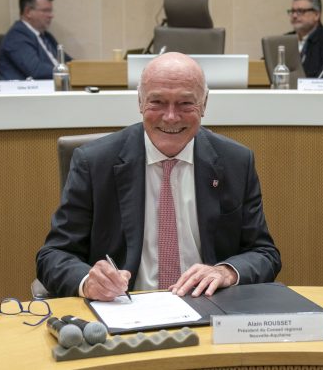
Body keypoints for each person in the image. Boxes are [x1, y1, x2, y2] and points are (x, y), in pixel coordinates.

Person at [36, 52, 281, 301]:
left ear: (204, 104)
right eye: (158, 102)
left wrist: (226, 271)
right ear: (140, 102)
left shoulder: (235, 162)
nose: (171, 116)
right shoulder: (95, 163)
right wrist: (89, 282)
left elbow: (264, 253)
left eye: (186, 103)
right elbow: (54, 255)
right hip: (125, 310)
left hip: (208, 307)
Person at [0, 0, 72, 80]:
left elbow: (67, 60)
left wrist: (82, 69)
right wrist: (67, 72)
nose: (51, 15)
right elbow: (36, 70)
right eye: (45, 11)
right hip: (28, 92)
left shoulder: (46, 37)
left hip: (54, 87)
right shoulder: (16, 37)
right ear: (28, 12)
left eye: (51, 11)